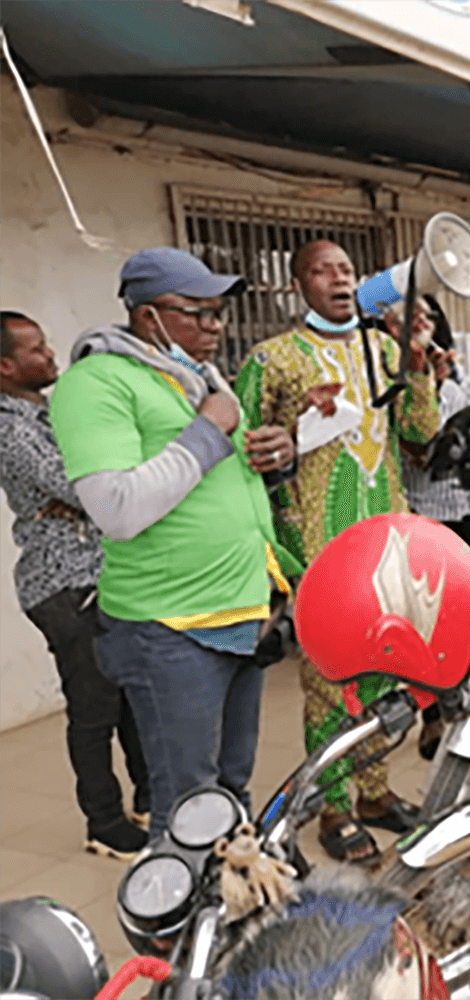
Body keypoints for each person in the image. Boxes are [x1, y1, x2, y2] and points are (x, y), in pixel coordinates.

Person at [48, 248, 301, 841]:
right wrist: (211, 428)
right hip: (172, 625)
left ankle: (230, 910)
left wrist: (274, 458)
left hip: (241, 607)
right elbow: (118, 509)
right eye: (197, 313)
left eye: (219, 313)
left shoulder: (193, 377)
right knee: (187, 805)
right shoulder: (96, 383)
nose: (215, 326)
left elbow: (206, 478)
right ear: (147, 315)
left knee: (233, 785)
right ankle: (171, 930)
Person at [235, 240, 439, 865]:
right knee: (332, 683)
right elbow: (242, 453)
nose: (339, 279)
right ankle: (334, 808)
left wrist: (420, 360)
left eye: (347, 269)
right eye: (323, 271)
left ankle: (375, 793)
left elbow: (420, 433)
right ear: (299, 286)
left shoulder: (384, 350)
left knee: (388, 670)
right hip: (319, 547)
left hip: (388, 545)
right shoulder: (272, 360)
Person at [0, 312, 149, 860]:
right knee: (94, 709)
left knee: (132, 693)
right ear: (5, 366)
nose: (50, 354)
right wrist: (93, 490)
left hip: (97, 572)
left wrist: (95, 488)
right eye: (36, 349)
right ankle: (104, 823)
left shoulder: (48, 410)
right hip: (62, 584)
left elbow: (99, 480)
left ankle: (149, 799)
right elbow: (86, 487)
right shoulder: (11, 427)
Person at [398, 296, 470, 565]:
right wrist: (431, 385)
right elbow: (419, 444)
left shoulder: (458, 373)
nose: (422, 323)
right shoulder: (394, 381)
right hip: (427, 510)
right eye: (411, 318)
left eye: (428, 317)